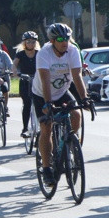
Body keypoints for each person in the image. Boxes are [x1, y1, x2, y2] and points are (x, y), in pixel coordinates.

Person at [32, 23, 89, 187]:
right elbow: (44, 80)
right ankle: (47, 168)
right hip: (42, 93)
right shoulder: (44, 53)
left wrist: (84, 98)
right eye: (60, 39)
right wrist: (48, 103)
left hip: (62, 91)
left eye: (67, 38)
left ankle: (70, 142)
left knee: (76, 114)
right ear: (52, 41)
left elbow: (77, 76)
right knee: (46, 127)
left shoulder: (72, 51)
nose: (64, 42)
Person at [12, 31, 39, 137]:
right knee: (27, 104)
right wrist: (15, 73)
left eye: (33, 42)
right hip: (25, 81)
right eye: (28, 42)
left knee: (39, 103)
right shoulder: (21, 54)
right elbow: (14, 65)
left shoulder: (39, 53)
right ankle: (25, 128)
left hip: (37, 80)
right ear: (24, 43)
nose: (31, 44)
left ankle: (41, 127)